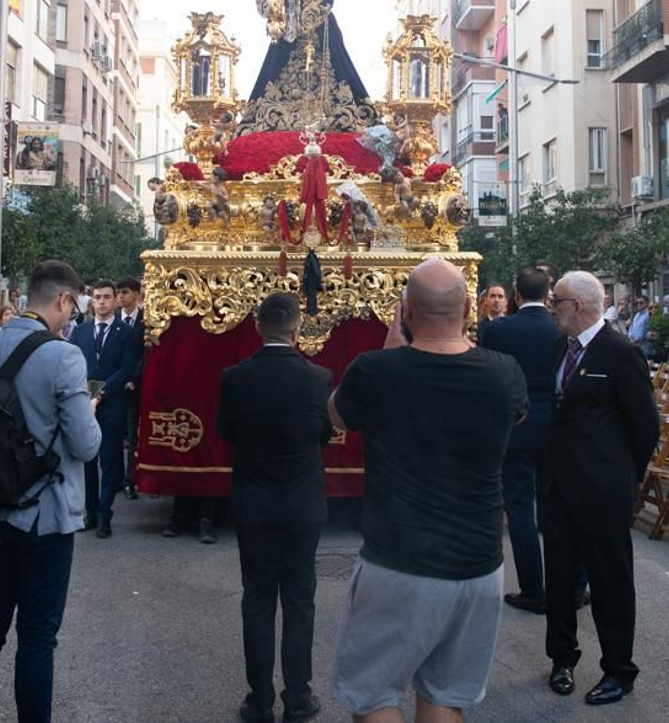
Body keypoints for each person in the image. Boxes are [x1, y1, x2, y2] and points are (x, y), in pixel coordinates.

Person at [328, 259, 526, 722]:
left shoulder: (376, 370)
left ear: (406, 311)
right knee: (443, 695)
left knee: (373, 696)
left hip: (400, 561)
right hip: (479, 565)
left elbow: (337, 416)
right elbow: (515, 417)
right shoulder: (504, 371)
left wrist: (388, 350)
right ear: (470, 308)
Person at [0, 259, 101, 723]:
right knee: (37, 636)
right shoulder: (63, 356)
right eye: (73, 307)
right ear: (61, 299)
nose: (72, 315)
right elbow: (86, 444)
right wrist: (90, 406)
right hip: (45, 512)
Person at [542, 271, 659, 707]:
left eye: (558, 300)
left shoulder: (621, 353)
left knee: (610, 581)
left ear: (579, 306)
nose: (551, 306)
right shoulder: (561, 348)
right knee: (559, 577)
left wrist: (624, 477)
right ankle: (561, 658)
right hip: (558, 486)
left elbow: (645, 426)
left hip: (603, 492)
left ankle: (618, 670)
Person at [218, 293, 333, 723]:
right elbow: (322, 434)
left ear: (257, 327)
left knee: (258, 597)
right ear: (297, 328)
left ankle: (260, 699)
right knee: (301, 599)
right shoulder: (318, 377)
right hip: (302, 502)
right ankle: (298, 698)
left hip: (254, 502)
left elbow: (225, 430)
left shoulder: (235, 377)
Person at [481, 266, 561, 616]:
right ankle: (568, 585)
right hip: (556, 428)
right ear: (548, 295)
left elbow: (490, 376)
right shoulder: (561, 328)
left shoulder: (499, 330)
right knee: (557, 508)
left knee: (519, 509)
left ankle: (533, 588)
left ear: (515, 294)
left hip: (516, 425)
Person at [69, 280, 135, 537]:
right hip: (84, 405)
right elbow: (75, 363)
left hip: (111, 404)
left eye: (107, 297)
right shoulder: (80, 332)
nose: (102, 302)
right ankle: (90, 511)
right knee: (87, 461)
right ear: (92, 300)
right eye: (97, 297)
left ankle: (105, 514)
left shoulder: (126, 332)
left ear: (115, 299)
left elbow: (126, 368)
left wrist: (101, 394)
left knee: (109, 462)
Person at [115, 277, 145, 501]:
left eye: (124, 292)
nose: (120, 297)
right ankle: (115, 477)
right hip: (115, 386)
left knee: (134, 432)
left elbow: (146, 354)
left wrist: (134, 378)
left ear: (136, 294)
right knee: (114, 434)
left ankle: (130, 479)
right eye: (118, 293)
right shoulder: (113, 320)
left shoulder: (146, 321)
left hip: (136, 385)